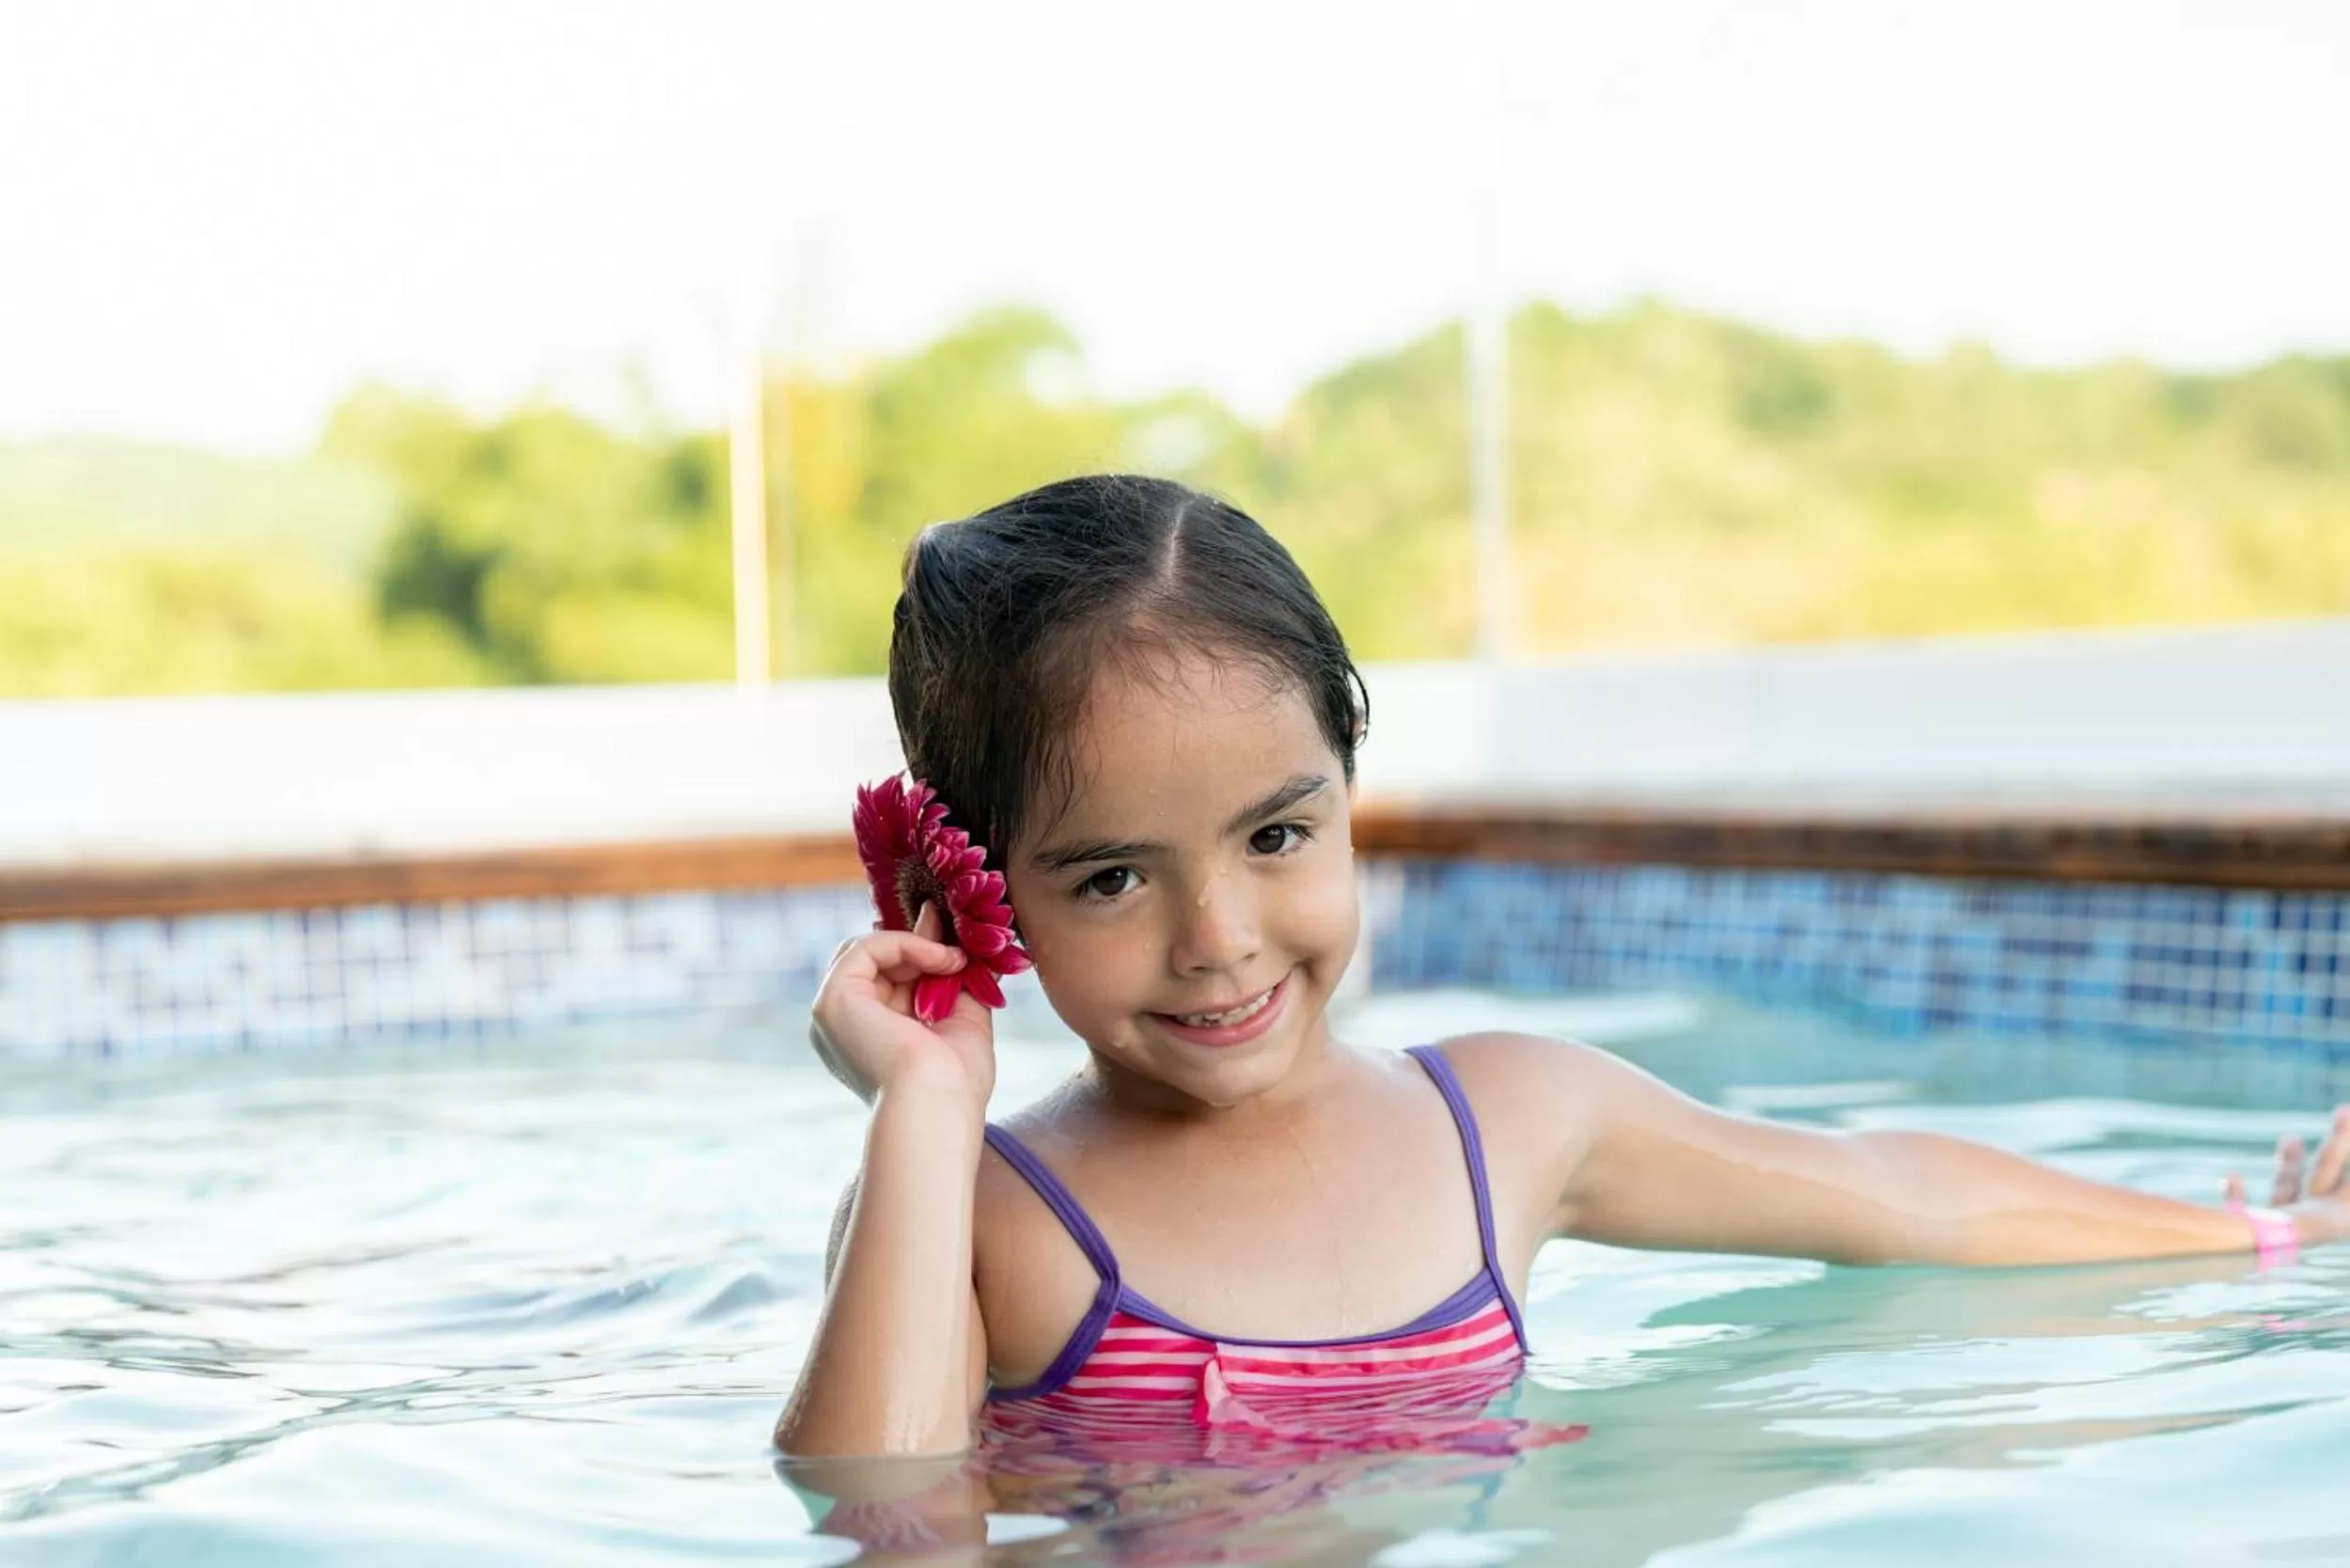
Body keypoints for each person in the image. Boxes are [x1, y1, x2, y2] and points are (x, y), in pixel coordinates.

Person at [775, 474, 2347, 1467]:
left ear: (1348, 778)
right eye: (1112, 875)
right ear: (970, 889)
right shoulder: (974, 1211)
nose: (1220, 935)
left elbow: (1894, 1196)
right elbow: (885, 1512)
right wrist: (924, 1099)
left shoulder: (1507, 1123)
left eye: (1276, 834)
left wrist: (2265, 1237)